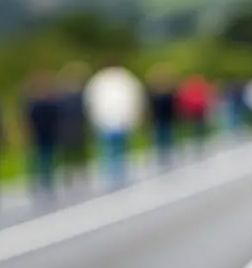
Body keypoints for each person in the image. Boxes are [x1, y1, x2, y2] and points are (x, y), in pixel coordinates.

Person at [83, 61, 144, 189]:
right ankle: (116, 174)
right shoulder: (123, 78)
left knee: (114, 149)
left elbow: (90, 103)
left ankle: (116, 174)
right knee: (115, 149)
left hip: (114, 120)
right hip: (114, 120)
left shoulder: (100, 80)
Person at [24, 69, 59, 203]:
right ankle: (39, 183)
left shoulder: (46, 103)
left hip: (46, 136)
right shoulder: (34, 104)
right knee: (39, 160)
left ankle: (46, 183)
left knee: (46, 160)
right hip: (38, 136)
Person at [56, 61, 91, 188]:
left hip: (78, 127)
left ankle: (82, 173)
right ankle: (68, 174)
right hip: (66, 128)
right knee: (67, 154)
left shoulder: (82, 96)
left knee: (80, 152)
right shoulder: (61, 97)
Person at [146, 64, 178, 168]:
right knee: (162, 139)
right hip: (160, 121)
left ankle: (165, 157)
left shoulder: (167, 94)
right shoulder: (156, 95)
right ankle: (163, 157)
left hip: (164, 120)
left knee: (165, 139)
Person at [176, 74, 214, 149]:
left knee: (195, 126)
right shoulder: (200, 89)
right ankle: (198, 140)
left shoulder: (190, 89)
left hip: (194, 110)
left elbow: (184, 100)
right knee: (198, 126)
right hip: (198, 110)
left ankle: (196, 140)